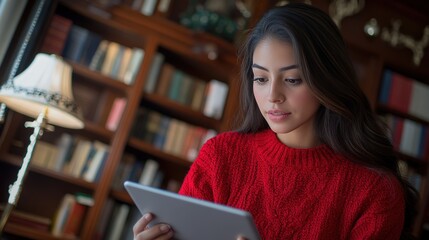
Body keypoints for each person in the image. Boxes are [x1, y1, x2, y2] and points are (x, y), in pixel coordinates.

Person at [133, 3, 418, 240]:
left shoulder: (374, 191)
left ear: (327, 80)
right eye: (261, 78)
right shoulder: (220, 156)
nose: (272, 96)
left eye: (292, 79)